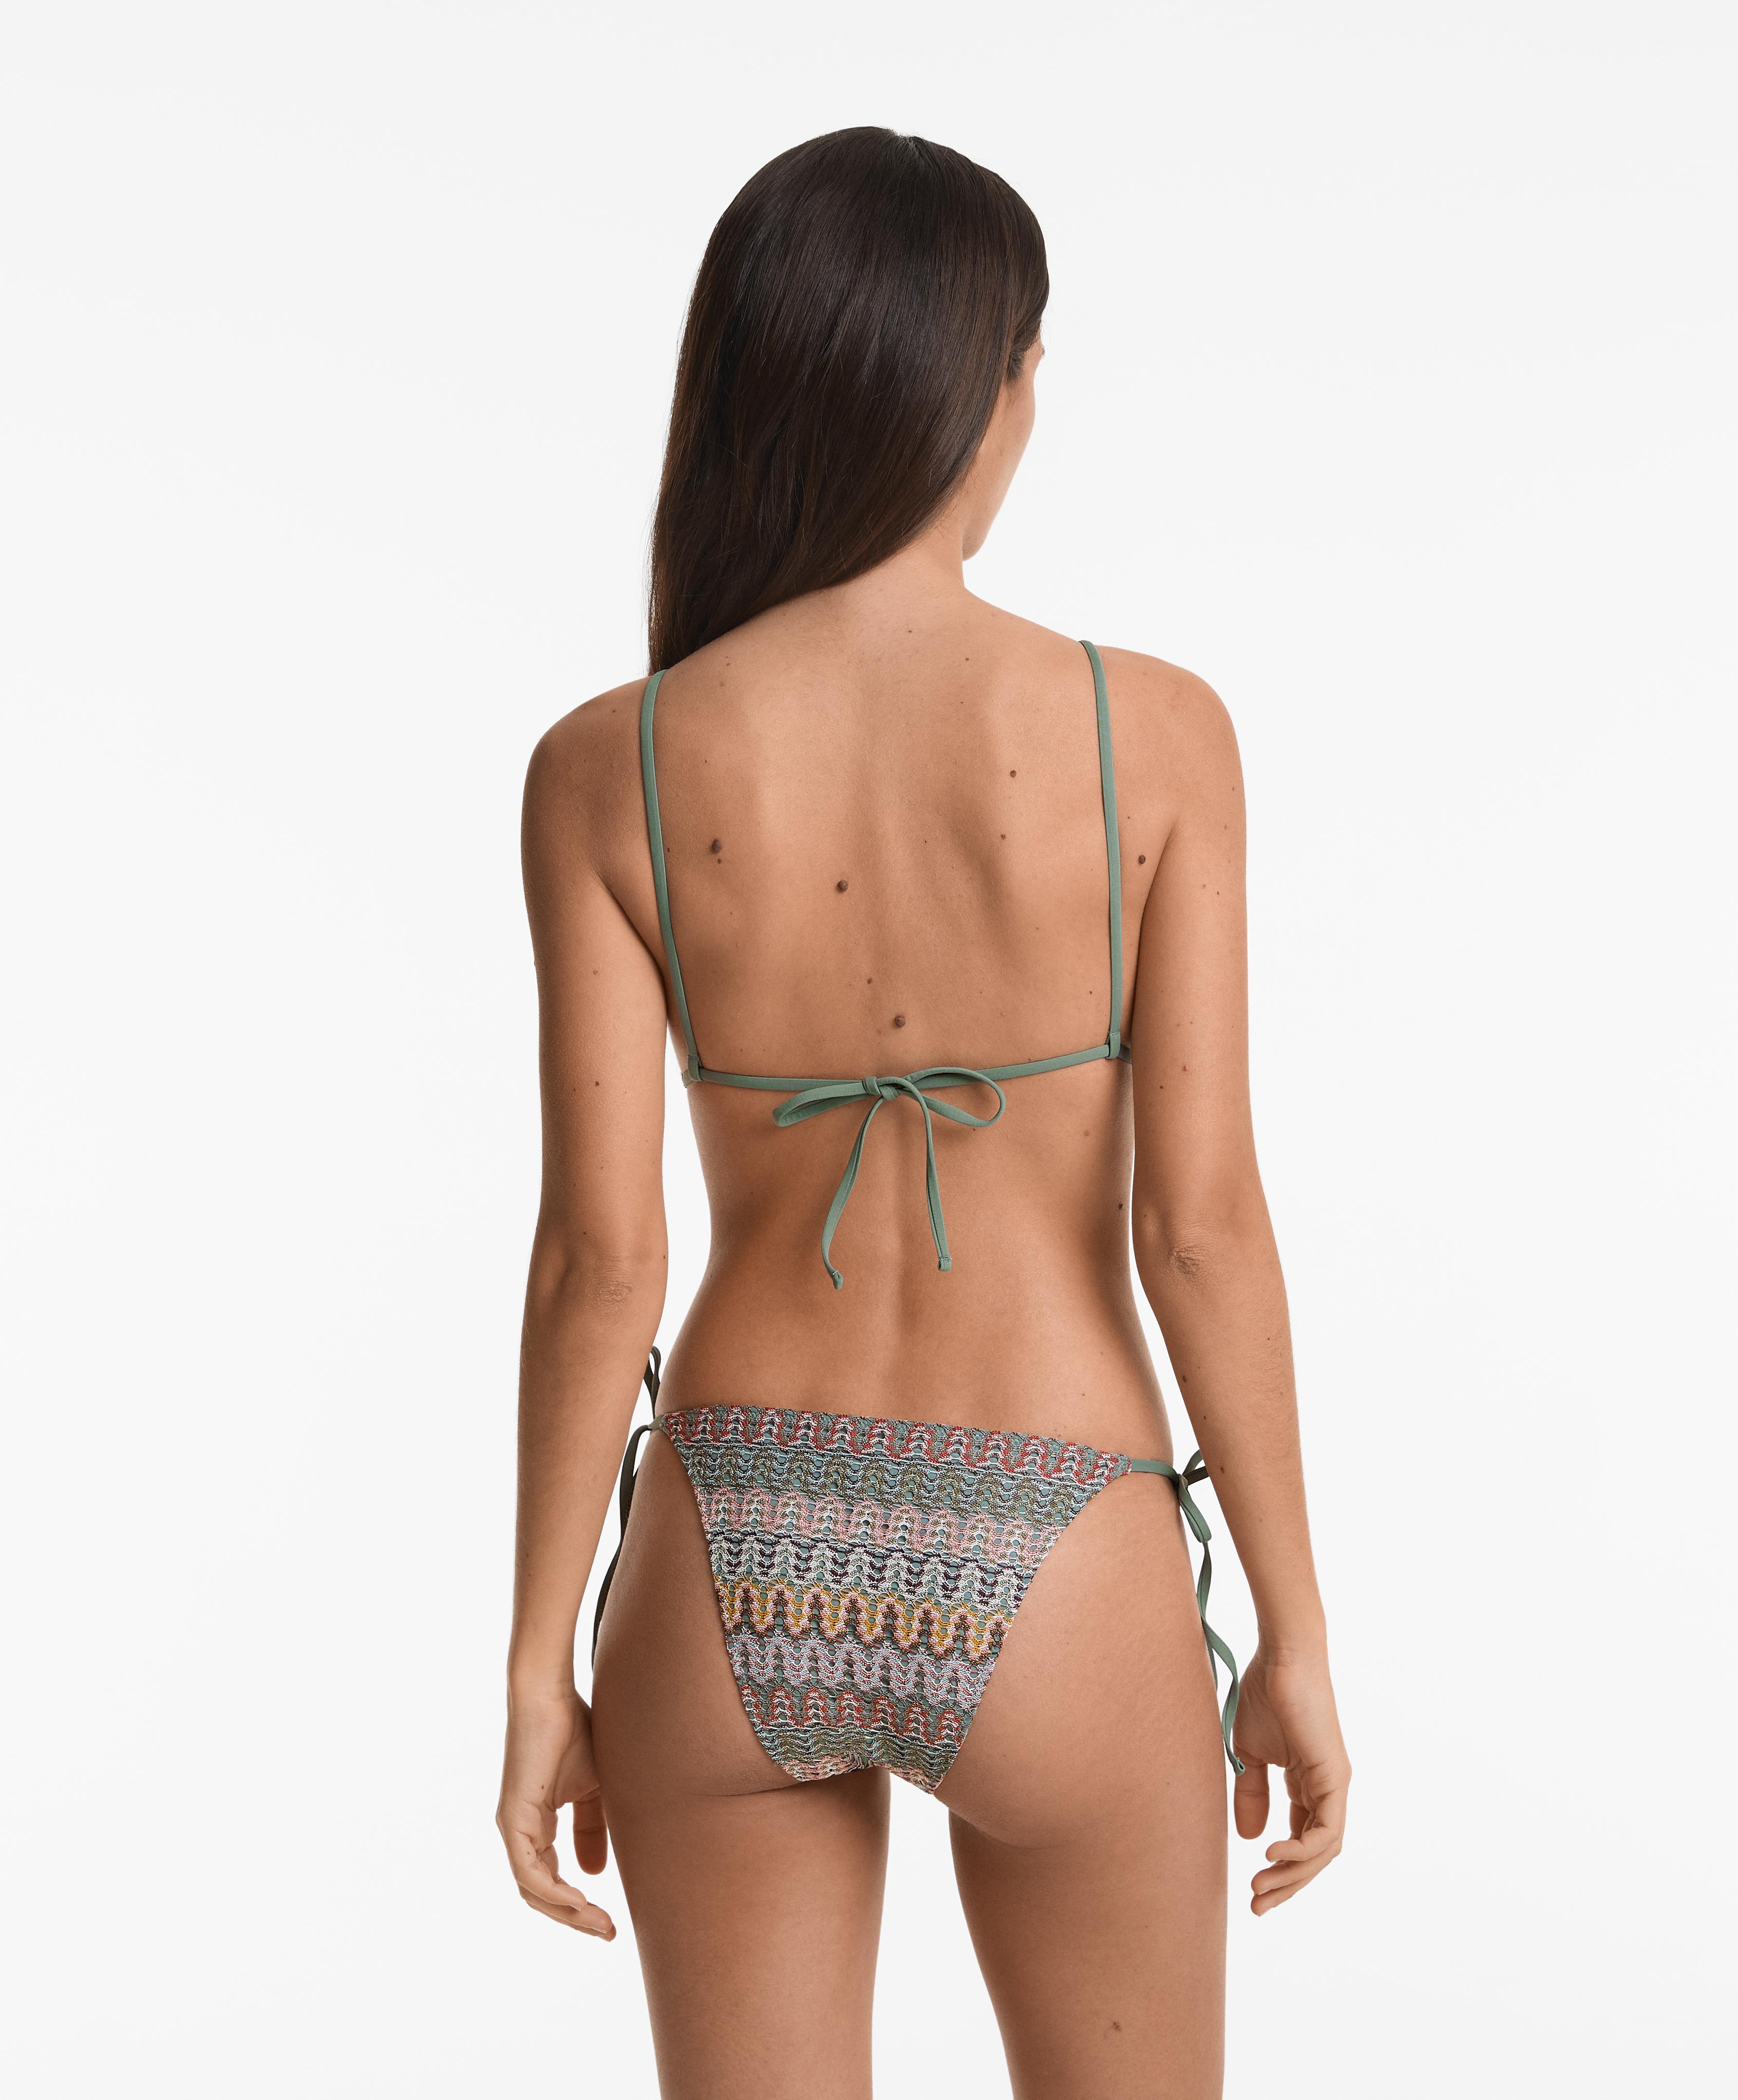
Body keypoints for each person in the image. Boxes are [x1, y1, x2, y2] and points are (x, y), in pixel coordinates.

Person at [497, 126, 1349, 2100]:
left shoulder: (608, 766)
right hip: (1058, 1529)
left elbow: (598, 1259)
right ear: (979, 386)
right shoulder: (1154, 733)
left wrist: (539, 1661)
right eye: (1032, 363)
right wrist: (1295, 1627)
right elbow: (1201, 1227)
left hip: (733, 1530)